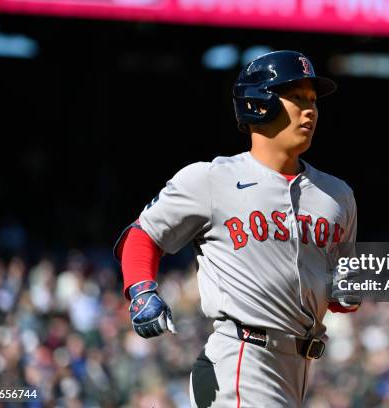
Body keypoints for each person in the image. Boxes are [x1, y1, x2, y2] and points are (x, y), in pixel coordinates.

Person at [114, 50, 360, 407]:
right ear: (259, 104)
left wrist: (349, 292)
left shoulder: (338, 196)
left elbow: (340, 295)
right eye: (296, 98)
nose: (310, 110)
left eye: (313, 100)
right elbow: (143, 234)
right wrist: (141, 291)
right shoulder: (213, 179)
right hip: (240, 359)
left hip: (300, 369)